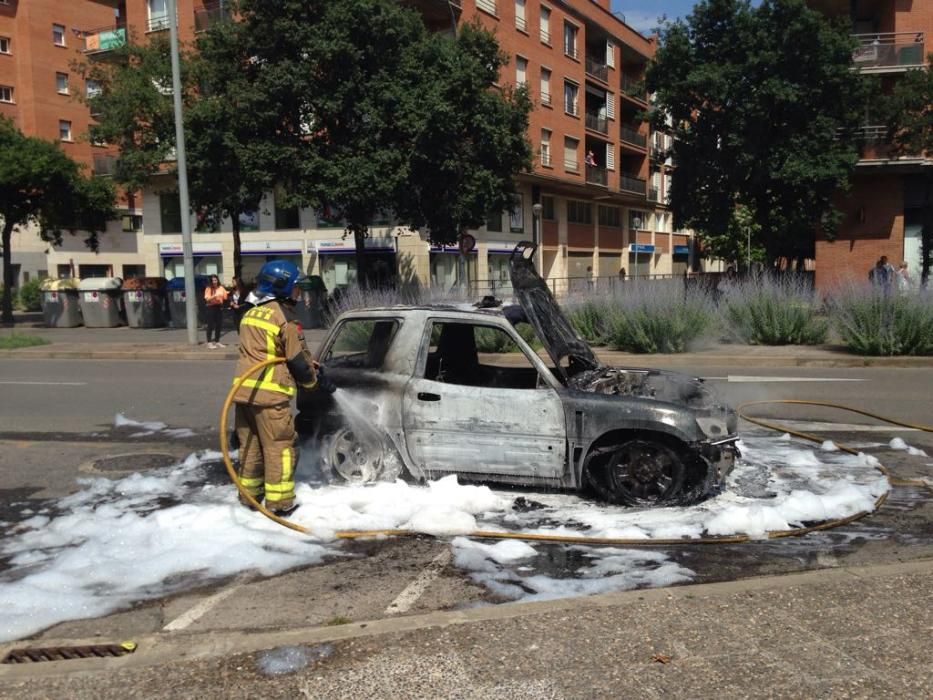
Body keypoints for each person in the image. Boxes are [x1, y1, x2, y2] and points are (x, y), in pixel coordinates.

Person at [231, 260, 321, 516]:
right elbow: (297, 361)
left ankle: (249, 496)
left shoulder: (250, 314)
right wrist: (312, 383)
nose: (298, 292)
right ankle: (280, 503)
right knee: (279, 447)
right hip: (271, 397)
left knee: (250, 446)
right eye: (295, 287)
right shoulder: (285, 318)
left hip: (243, 394)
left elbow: (263, 351)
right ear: (283, 287)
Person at [204, 274, 228, 349]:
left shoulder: (221, 288)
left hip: (219, 307)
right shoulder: (208, 288)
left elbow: (225, 297)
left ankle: (217, 341)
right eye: (213, 280)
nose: (214, 282)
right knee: (210, 325)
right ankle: (209, 342)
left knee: (219, 325)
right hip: (210, 307)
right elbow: (207, 299)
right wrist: (214, 296)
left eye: (216, 280)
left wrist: (226, 294)